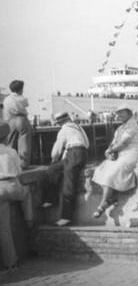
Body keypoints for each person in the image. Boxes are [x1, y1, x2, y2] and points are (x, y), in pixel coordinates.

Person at [92, 103, 138, 218]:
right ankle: (111, 198)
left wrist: (109, 151)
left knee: (111, 175)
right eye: (118, 113)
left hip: (131, 154)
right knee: (99, 170)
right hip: (120, 155)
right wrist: (109, 151)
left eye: (122, 113)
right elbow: (114, 143)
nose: (119, 115)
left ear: (129, 113)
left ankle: (101, 205)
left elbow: (124, 143)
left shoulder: (132, 125)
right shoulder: (120, 128)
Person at [41, 111, 89, 227]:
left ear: (60, 122)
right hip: (81, 154)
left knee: (69, 186)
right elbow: (85, 144)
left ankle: (66, 218)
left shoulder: (64, 129)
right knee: (51, 170)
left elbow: (57, 148)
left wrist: (54, 159)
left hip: (73, 154)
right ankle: (51, 199)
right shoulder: (78, 127)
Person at [0, 121, 33, 272]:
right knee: (27, 193)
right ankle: (30, 220)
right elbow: (19, 172)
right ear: (6, 137)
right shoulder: (11, 151)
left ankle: (10, 264)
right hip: (12, 186)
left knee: (4, 229)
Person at [3, 80, 32, 169]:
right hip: (21, 119)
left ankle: (9, 164)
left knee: (10, 143)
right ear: (20, 89)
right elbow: (27, 103)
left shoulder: (6, 99)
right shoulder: (21, 98)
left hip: (10, 121)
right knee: (24, 143)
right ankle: (23, 165)